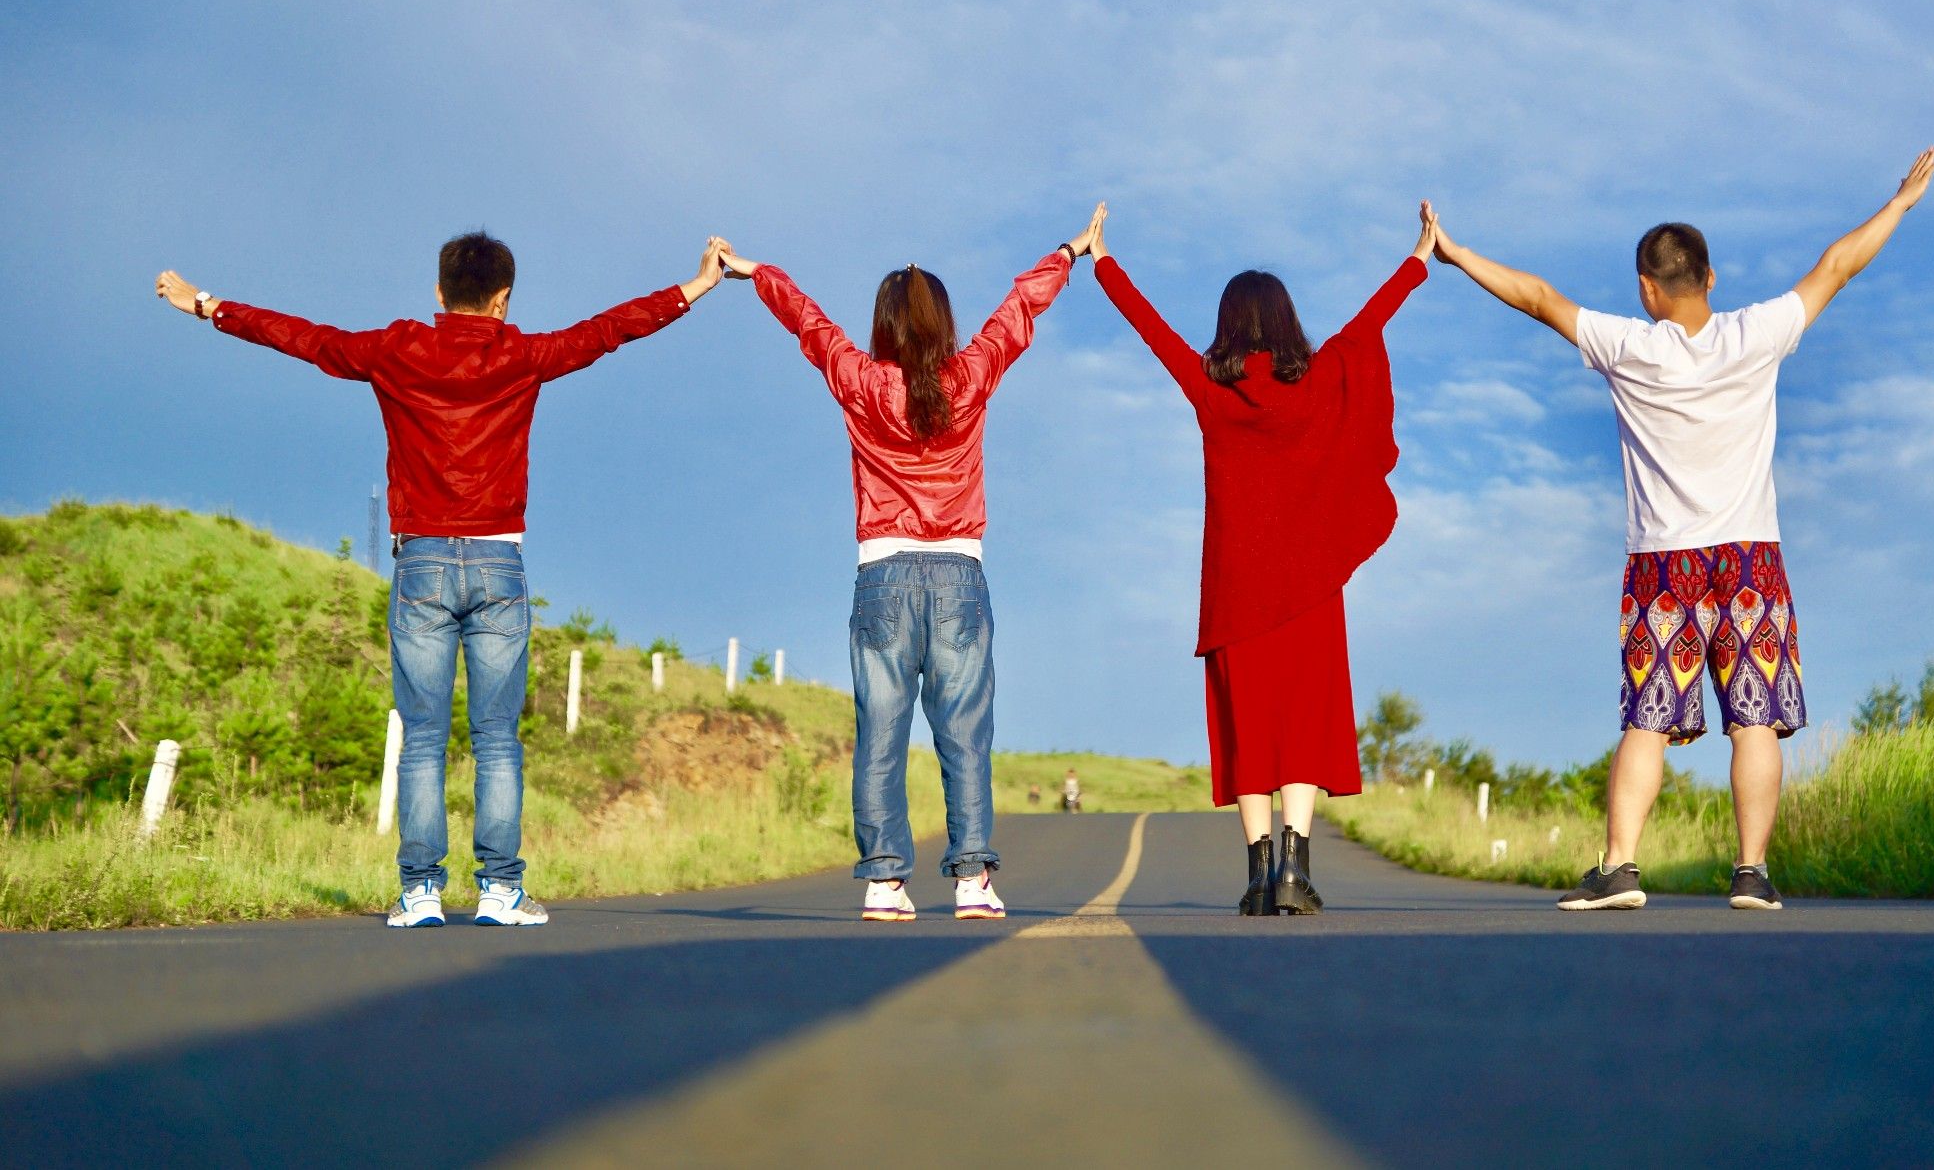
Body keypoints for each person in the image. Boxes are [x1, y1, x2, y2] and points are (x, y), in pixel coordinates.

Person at [154, 233, 731, 927]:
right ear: (503, 298)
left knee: (423, 735)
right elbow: (609, 331)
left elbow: (304, 338)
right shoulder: (522, 354)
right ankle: (499, 890)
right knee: (496, 737)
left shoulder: (397, 349)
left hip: (421, 561)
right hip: (498, 564)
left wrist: (206, 305)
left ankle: (420, 890)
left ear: (438, 292)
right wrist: (694, 286)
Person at [1426, 147, 1934, 911]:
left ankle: (1620, 867)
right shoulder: (1755, 333)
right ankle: (1752, 873)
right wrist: (1898, 205)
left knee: (1648, 718)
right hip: (1750, 558)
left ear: (1646, 289)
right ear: (1710, 278)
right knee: (1755, 719)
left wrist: (1456, 251)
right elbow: (1837, 265)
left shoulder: (1630, 346)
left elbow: (1537, 297)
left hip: (1664, 565)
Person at [717, 204, 1105, 923]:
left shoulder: (861, 382)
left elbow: (809, 323)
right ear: (942, 325)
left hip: (882, 575)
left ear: (884, 326)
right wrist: (1069, 251)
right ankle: (971, 881)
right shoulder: (971, 375)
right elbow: (1017, 312)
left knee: (881, 733)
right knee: (965, 734)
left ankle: (885, 882)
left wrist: (755, 272)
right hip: (959, 574)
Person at [1093, 209, 1434, 915]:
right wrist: (1419, 260)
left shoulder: (1210, 392)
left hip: (1235, 591)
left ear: (1227, 325)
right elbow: (1369, 325)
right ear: (1286, 323)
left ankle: (1255, 874)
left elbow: (1149, 329)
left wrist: (1102, 262)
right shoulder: (1316, 381)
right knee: (1303, 724)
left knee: (1248, 728)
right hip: (1308, 587)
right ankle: (1294, 870)